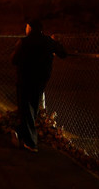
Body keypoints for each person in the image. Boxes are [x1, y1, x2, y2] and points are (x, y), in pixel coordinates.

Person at [11, 19, 67, 152]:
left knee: (26, 108)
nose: (25, 29)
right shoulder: (48, 41)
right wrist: (56, 42)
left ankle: (30, 142)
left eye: (26, 26)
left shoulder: (24, 42)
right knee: (32, 107)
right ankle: (21, 133)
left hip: (25, 79)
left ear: (30, 28)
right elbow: (63, 53)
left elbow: (14, 60)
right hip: (40, 80)